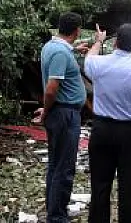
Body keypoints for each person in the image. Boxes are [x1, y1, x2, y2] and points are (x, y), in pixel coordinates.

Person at [85, 23, 131, 223]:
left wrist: (99, 41)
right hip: (129, 133)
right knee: (129, 186)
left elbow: (88, 58)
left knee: (100, 185)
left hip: (101, 129)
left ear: (116, 41)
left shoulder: (99, 64)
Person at [35, 12, 89, 223]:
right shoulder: (60, 53)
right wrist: (46, 110)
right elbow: (51, 90)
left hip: (61, 111)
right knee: (64, 167)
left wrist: (75, 50)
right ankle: (57, 216)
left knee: (56, 163)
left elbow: (61, 57)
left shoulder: (52, 47)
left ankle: (53, 208)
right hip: (64, 113)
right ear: (76, 31)